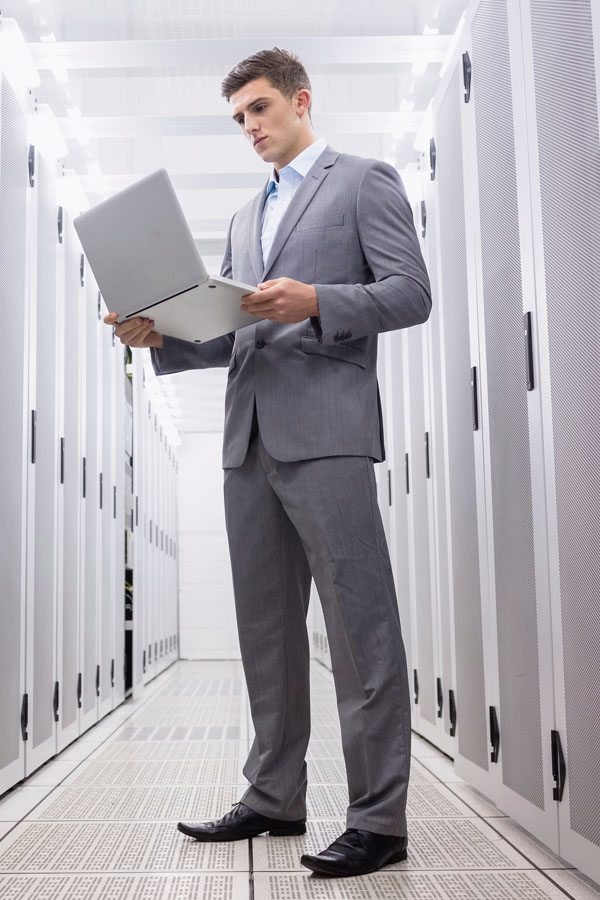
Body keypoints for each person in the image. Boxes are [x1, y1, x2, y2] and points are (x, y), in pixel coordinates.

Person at [105, 47, 431, 878]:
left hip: (326, 433)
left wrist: (319, 299)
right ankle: (274, 797)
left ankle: (378, 819)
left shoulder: (363, 181)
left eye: (259, 108)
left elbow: (410, 292)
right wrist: (163, 338)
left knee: (360, 629)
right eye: (239, 117)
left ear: (300, 101)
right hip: (247, 441)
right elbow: (239, 329)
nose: (250, 127)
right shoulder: (248, 217)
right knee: (267, 631)